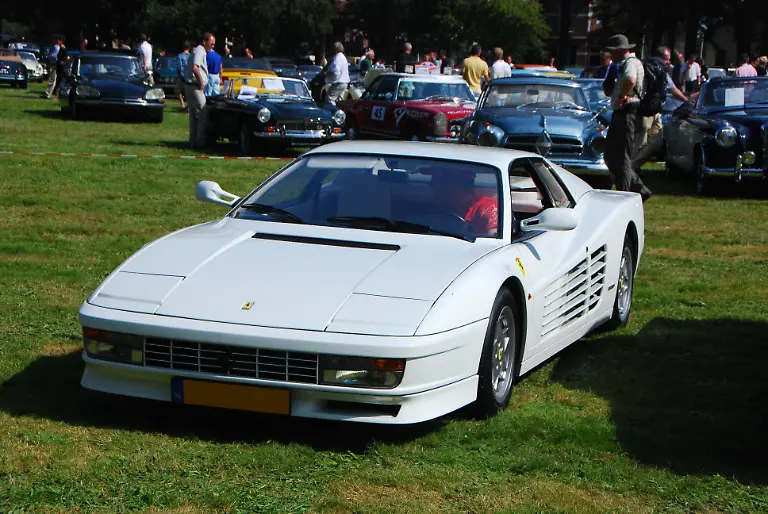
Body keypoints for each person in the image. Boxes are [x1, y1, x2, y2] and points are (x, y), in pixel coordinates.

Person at [631, 46, 694, 175]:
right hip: (648, 111)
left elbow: (671, 88)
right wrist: (686, 100)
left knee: (654, 141)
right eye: (667, 59)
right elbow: (672, 89)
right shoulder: (658, 68)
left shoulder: (648, 67)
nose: (669, 62)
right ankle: (630, 170)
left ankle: (632, 167)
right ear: (660, 57)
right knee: (642, 142)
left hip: (650, 110)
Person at [604, 34, 652, 201]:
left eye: (613, 51)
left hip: (627, 112)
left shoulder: (630, 63)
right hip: (624, 113)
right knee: (611, 155)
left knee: (621, 156)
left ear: (620, 51)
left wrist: (622, 95)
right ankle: (640, 189)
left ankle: (623, 195)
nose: (611, 55)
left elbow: (630, 79)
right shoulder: (626, 63)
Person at [430, 168, 498, 236]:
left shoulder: (488, 207)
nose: (431, 184)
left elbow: (496, 239)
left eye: (437, 180)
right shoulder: (437, 208)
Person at [185, 33, 215, 148]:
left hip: (190, 86)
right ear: (204, 42)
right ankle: (200, 142)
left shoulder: (198, 51)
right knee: (203, 113)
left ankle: (193, 142)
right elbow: (195, 67)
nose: (212, 47)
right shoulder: (200, 51)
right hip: (195, 86)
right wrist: (201, 82)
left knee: (193, 116)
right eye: (211, 44)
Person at [175, 41, 191, 109]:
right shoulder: (191, 56)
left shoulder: (179, 56)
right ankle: (188, 105)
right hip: (189, 76)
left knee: (177, 90)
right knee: (188, 92)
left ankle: (182, 103)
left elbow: (179, 67)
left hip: (182, 76)